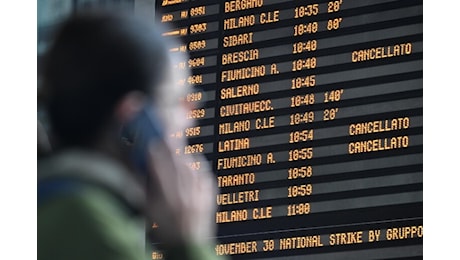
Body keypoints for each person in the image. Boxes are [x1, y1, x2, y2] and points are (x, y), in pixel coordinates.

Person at [38, 10, 222, 260]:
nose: (190, 118)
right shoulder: (92, 229)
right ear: (132, 120)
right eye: (179, 101)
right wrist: (189, 244)